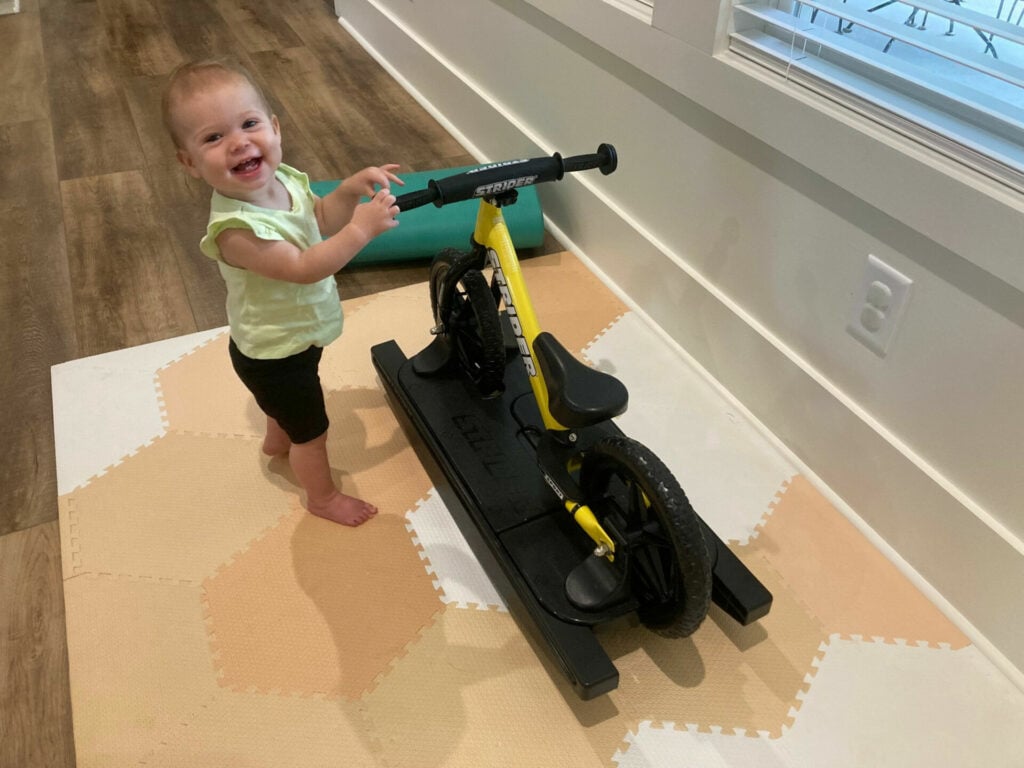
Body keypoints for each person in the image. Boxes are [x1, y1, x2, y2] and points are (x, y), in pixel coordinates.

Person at [162, 58, 402, 526]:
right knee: (312, 434)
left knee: (290, 411)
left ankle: (277, 439)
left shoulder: (287, 180)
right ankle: (322, 497)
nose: (239, 142)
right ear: (189, 162)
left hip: (295, 336)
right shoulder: (235, 230)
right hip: (272, 354)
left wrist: (349, 192)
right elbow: (304, 268)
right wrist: (362, 231)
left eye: (249, 124)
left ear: (273, 128)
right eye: (214, 138)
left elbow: (321, 219)